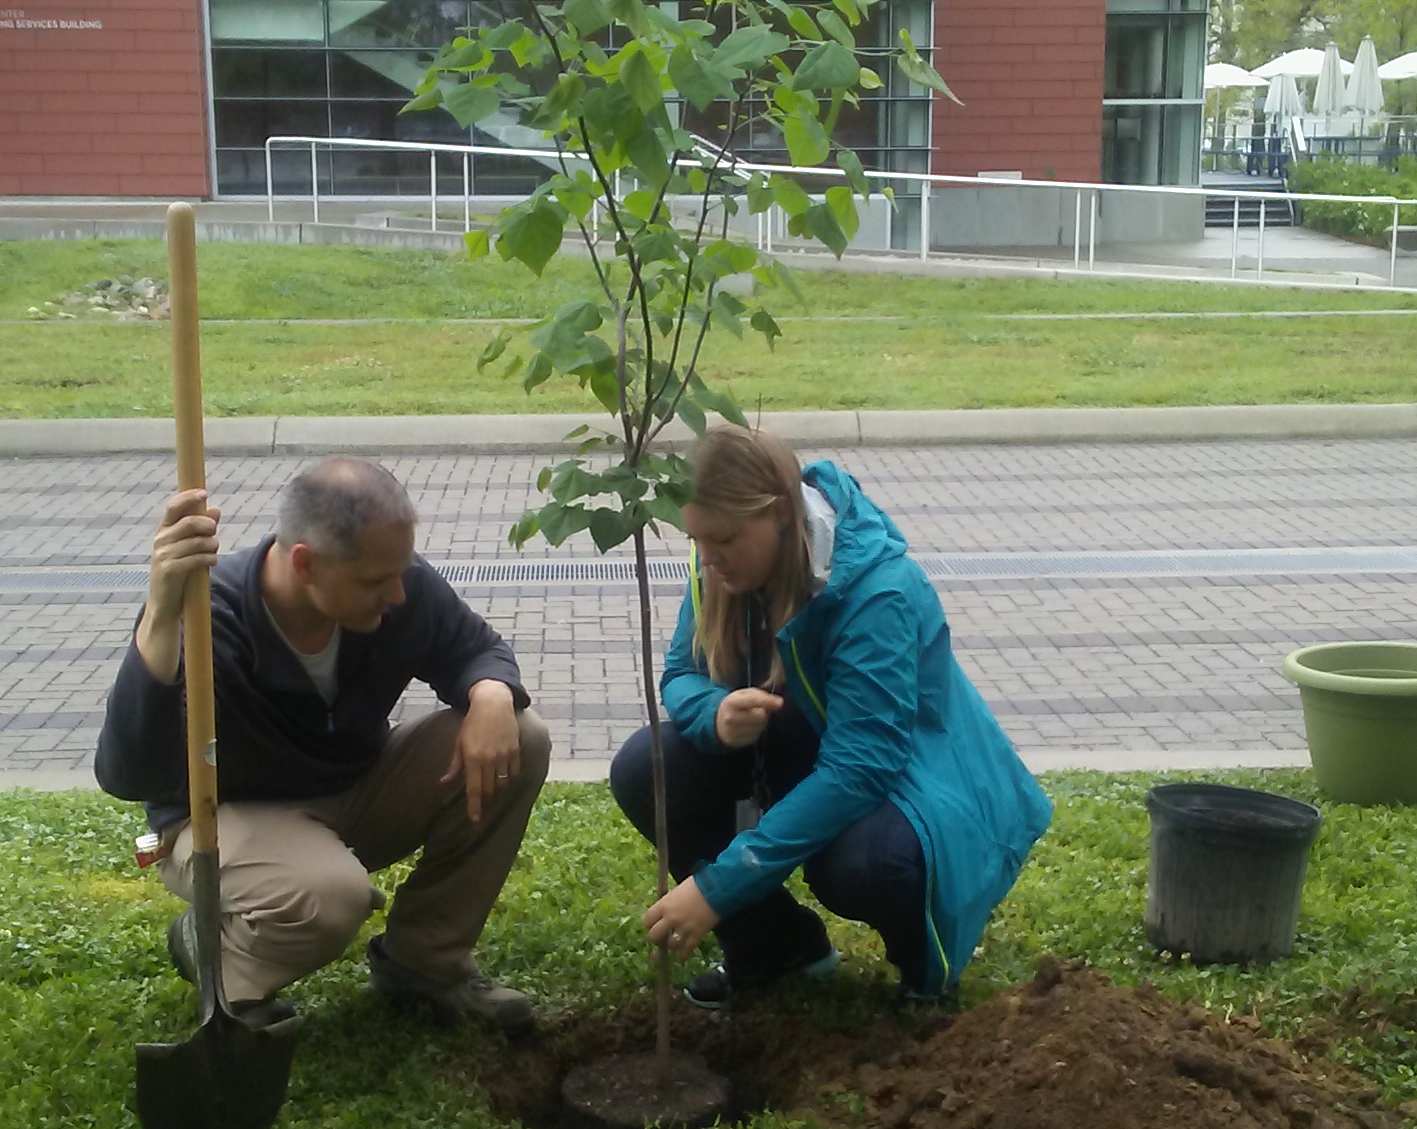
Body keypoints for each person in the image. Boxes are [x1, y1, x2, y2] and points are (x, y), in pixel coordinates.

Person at [95, 457, 549, 1033]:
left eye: (401, 572)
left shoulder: (397, 582)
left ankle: (424, 961)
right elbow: (128, 771)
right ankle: (224, 962)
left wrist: (489, 692)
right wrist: (162, 614)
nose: (399, 595)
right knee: (331, 896)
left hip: (349, 791)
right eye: (375, 582)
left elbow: (473, 648)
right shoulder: (209, 618)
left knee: (522, 736)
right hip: (222, 819)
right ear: (305, 563)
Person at [610, 428, 1051, 1005]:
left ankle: (922, 977)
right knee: (649, 767)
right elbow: (680, 675)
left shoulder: (876, 590)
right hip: (790, 758)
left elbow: (863, 765)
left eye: (721, 539)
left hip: (912, 785)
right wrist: (714, 711)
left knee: (867, 863)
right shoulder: (719, 563)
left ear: (778, 514)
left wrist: (718, 887)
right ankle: (779, 950)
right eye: (696, 539)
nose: (707, 558)